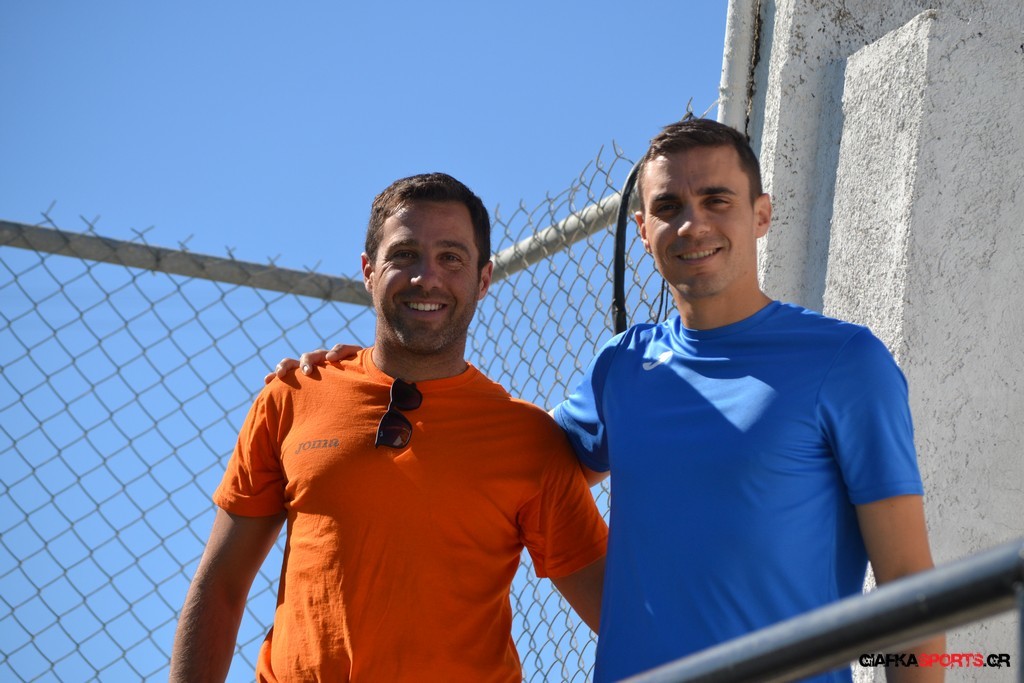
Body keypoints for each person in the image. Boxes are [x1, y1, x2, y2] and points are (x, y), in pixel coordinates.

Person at [273, 119, 943, 682]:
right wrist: (366, 381)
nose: (692, 224)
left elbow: (910, 584)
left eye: (716, 200)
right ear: (644, 229)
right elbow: (503, 454)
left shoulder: (845, 363)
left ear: (761, 215)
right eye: (669, 208)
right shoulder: (623, 368)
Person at [171, 172, 608, 683]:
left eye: (451, 257)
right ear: (368, 271)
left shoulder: (529, 439)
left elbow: (620, 616)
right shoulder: (292, 395)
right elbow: (221, 585)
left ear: (483, 279)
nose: (427, 277)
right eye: (404, 254)